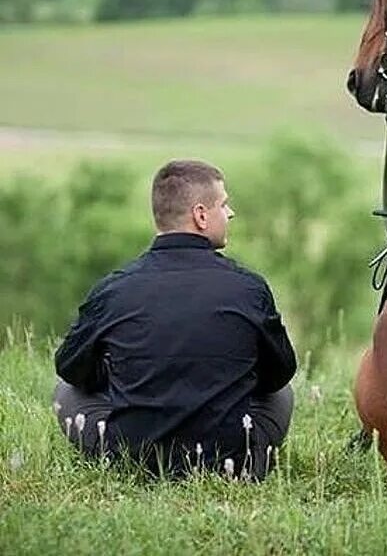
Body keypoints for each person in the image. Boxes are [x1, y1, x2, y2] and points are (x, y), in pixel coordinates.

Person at [53, 159, 296, 479]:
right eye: (224, 204)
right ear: (200, 215)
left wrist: (122, 376)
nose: (230, 212)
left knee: (65, 391)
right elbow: (279, 374)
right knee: (283, 394)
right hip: (231, 463)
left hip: (132, 458)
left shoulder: (114, 288)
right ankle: (244, 462)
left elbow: (70, 367)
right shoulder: (249, 287)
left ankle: (124, 461)